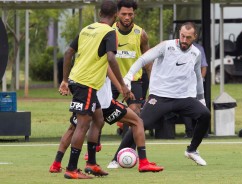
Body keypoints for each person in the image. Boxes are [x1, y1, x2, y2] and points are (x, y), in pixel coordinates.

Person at [51, 35, 164, 176]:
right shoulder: (104, 56)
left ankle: (60, 163)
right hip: (104, 104)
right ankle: (143, 162)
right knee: (136, 121)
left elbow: (107, 71)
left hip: (91, 102)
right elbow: (109, 69)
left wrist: (122, 88)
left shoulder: (87, 58)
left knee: (78, 127)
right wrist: (123, 88)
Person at [109, 22, 211, 167]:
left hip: (183, 98)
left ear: (194, 37)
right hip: (160, 97)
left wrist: (201, 99)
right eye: (182, 36)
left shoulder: (196, 53)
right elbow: (143, 59)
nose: (184, 40)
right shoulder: (166, 46)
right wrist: (129, 76)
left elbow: (198, 77)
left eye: (188, 37)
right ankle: (115, 159)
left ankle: (192, 150)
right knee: (140, 123)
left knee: (205, 114)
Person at [58, 0, 131, 179]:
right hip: (87, 83)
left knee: (98, 119)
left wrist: (65, 80)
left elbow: (68, 52)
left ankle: (91, 164)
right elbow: (111, 59)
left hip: (78, 81)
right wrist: (122, 85)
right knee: (83, 124)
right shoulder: (110, 32)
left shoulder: (86, 29)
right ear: (115, 16)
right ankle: (72, 169)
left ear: (100, 14)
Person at [110, 0, 152, 139]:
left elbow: (148, 61)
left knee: (135, 113)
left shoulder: (141, 34)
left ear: (134, 14)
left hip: (134, 80)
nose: (127, 17)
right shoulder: (110, 32)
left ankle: (127, 148)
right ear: (117, 14)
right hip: (112, 80)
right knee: (98, 113)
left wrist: (153, 83)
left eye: (130, 14)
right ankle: (93, 150)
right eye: (124, 14)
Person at [182, 42, 208, 138]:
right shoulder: (178, 48)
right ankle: (189, 132)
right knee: (185, 106)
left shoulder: (199, 48)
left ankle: (202, 132)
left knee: (201, 106)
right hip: (184, 84)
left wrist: (199, 81)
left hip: (196, 84)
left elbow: (204, 66)